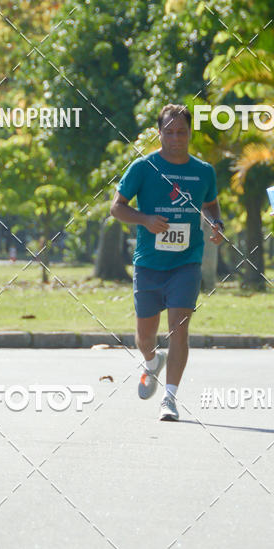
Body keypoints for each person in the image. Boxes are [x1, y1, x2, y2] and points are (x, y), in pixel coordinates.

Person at [111, 104, 225, 421]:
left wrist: (217, 225)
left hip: (187, 263)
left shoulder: (204, 171)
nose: (176, 139)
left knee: (179, 331)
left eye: (182, 132)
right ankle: (151, 363)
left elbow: (212, 205)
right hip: (148, 263)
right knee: (145, 337)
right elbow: (117, 208)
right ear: (159, 133)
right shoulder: (143, 168)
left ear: (190, 133)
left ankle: (170, 399)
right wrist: (145, 219)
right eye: (170, 132)